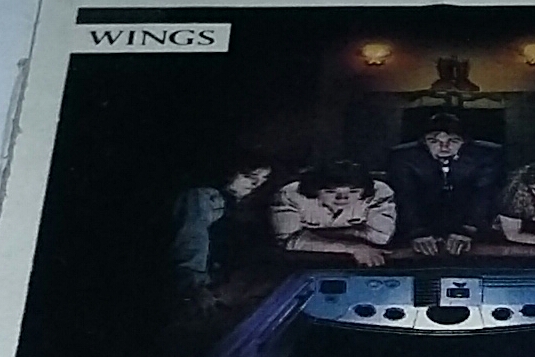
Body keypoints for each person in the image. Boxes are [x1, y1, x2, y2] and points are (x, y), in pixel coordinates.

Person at [384, 112, 504, 255]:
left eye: (453, 141)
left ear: (464, 142)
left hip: (471, 224)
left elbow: (484, 194)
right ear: (424, 143)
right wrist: (417, 232)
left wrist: (468, 229)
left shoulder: (486, 156)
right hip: (421, 223)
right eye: (434, 141)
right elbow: (405, 195)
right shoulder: (404, 157)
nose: (444, 147)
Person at [170, 161, 275, 295]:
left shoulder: (238, 206)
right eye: (250, 177)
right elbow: (192, 238)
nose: (256, 184)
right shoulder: (203, 197)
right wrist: (195, 286)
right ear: (230, 173)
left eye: (263, 179)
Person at [268, 161, 397, 267]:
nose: (342, 198)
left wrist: (310, 236)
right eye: (330, 192)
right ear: (314, 190)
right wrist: (355, 247)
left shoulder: (379, 191)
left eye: (353, 191)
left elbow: (380, 237)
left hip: (365, 259)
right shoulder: (290, 194)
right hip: (304, 262)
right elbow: (289, 241)